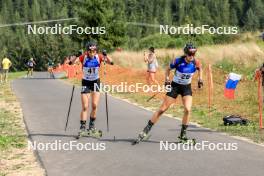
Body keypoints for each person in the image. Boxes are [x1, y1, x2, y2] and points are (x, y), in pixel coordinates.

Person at [135, 43, 203, 143]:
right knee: (162, 109)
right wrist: (167, 79)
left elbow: (200, 68)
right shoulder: (178, 61)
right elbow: (168, 69)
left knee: (188, 109)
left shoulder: (196, 62)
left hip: (186, 88)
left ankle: (182, 135)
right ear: (186, 53)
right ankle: (146, 130)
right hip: (175, 87)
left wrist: (200, 79)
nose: (191, 56)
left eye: (193, 54)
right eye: (189, 54)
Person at [70, 41, 113, 135]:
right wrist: (77, 55)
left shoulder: (99, 56)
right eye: (90, 51)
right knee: (85, 106)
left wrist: (106, 55)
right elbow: (71, 62)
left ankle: (91, 126)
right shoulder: (83, 57)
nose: (92, 52)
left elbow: (111, 62)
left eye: (94, 50)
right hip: (85, 82)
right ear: (87, 51)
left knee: (94, 105)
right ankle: (82, 128)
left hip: (96, 82)